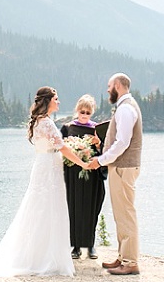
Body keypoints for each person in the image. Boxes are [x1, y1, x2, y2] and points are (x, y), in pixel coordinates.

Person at [0, 86, 88, 277]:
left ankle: (38, 254)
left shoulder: (39, 122)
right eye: (56, 99)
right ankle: (44, 258)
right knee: (49, 209)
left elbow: (58, 146)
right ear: (48, 101)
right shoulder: (47, 123)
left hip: (43, 165)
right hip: (49, 168)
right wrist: (83, 163)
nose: (59, 102)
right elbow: (62, 148)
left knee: (39, 208)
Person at [88, 73, 143, 276]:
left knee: (126, 214)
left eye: (109, 86)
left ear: (118, 86)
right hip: (122, 167)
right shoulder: (125, 106)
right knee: (121, 214)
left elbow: (122, 142)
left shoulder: (126, 108)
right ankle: (123, 257)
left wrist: (101, 160)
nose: (107, 89)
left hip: (123, 167)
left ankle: (130, 262)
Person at [60, 94, 106, 260]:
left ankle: (91, 245)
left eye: (88, 112)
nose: (84, 115)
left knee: (91, 206)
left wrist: (98, 144)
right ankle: (76, 246)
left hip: (92, 174)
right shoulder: (67, 128)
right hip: (73, 174)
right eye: (82, 112)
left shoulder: (97, 129)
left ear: (92, 112)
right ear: (77, 111)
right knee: (73, 207)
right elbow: (60, 149)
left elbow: (105, 153)